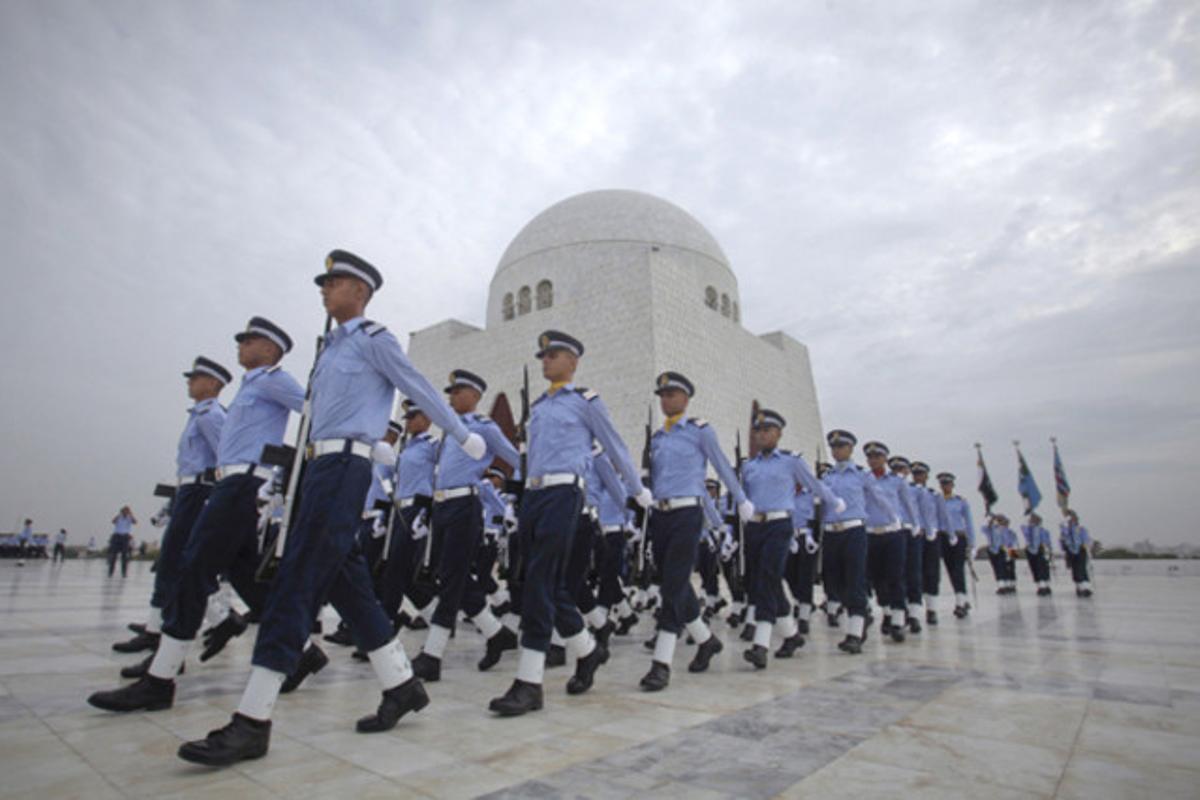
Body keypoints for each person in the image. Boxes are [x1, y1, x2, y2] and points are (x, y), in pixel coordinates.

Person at [487, 330, 649, 717]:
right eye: (543, 354)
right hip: (535, 495)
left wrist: (637, 490)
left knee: (543, 580)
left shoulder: (586, 402)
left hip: (565, 494)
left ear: (573, 362)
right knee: (536, 582)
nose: (545, 360)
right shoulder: (539, 408)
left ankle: (529, 683)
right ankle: (588, 651)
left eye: (554, 354)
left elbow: (614, 445)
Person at [113, 355, 230, 659]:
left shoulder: (211, 416)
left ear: (213, 383)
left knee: (179, 561)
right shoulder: (198, 414)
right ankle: (159, 627)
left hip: (201, 491)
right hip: (188, 489)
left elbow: (226, 456)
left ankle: (216, 620)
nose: (190, 383)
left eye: (196, 378)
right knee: (171, 561)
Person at [638, 371, 749, 691]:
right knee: (673, 581)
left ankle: (661, 662)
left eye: (672, 394)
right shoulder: (657, 439)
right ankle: (706, 640)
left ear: (686, 399)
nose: (666, 400)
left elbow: (722, 465)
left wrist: (740, 500)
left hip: (688, 512)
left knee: (673, 585)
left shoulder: (700, 431)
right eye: (662, 395)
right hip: (660, 514)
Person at [410, 369, 520, 682]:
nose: (452, 397)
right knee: (451, 577)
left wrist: (528, 493)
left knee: (451, 582)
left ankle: (432, 655)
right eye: (451, 392)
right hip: (442, 506)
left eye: (458, 391)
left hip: (464, 505)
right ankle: (496, 633)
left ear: (474, 395)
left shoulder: (484, 427)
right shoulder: (449, 429)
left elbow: (512, 457)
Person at [739, 410, 839, 669]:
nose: (762, 435)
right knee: (762, 580)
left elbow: (814, 484)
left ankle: (760, 645)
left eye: (767, 430)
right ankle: (792, 636)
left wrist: (834, 501)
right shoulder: (749, 466)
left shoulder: (791, 461)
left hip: (780, 524)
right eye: (758, 431)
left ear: (779, 433)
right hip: (755, 526)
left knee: (768, 578)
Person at [820, 430, 894, 654]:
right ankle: (861, 616)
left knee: (855, 580)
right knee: (834, 581)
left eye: (841, 447)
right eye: (833, 447)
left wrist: (894, 520)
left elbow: (880, 497)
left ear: (851, 449)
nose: (836, 451)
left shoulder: (862, 475)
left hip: (854, 531)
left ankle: (854, 632)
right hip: (831, 533)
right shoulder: (826, 477)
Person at [862, 442, 914, 643]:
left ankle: (899, 622)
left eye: (877, 456)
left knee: (895, 576)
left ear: (885, 458)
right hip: (870, 534)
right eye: (870, 457)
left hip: (893, 533)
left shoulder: (897, 481)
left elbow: (908, 504)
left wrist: (914, 525)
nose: (873, 460)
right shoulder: (863, 479)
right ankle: (887, 612)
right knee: (877, 579)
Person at [937, 473, 975, 618]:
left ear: (952, 485)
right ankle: (962, 599)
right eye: (943, 484)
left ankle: (960, 602)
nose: (945, 486)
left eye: (948, 484)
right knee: (950, 569)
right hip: (943, 537)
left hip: (959, 537)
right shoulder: (937, 501)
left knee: (958, 569)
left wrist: (972, 544)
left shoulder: (960, 501)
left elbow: (969, 523)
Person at [1060, 510, 1093, 597]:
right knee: (1075, 569)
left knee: (1081, 568)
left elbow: (1086, 539)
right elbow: (1062, 541)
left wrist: (1085, 545)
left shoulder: (1081, 529)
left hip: (1081, 551)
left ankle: (1086, 587)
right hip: (1070, 551)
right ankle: (1079, 587)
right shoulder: (1065, 531)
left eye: (1073, 518)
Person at [1022, 513, 1053, 596]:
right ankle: (1040, 585)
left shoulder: (1043, 530)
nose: (1031, 521)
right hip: (1031, 551)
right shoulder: (1028, 530)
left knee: (1042, 568)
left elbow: (1047, 542)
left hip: (1040, 550)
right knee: (1035, 568)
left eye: (1033, 520)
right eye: (1031, 520)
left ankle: (1044, 585)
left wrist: (1048, 551)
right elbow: (1024, 529)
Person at [108, 507, 137, 577]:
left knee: (124, 556)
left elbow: (135, 522)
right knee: (113, 555)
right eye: (124, 511)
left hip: (125, 537)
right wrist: (119, 515)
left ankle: (124, 573)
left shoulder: (129, 518)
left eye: (127, 511)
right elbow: (113, 521)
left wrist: (131, 514)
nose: (125, 512)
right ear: (121, 511)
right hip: (116, 536)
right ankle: (110, 572)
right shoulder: (119, 517)